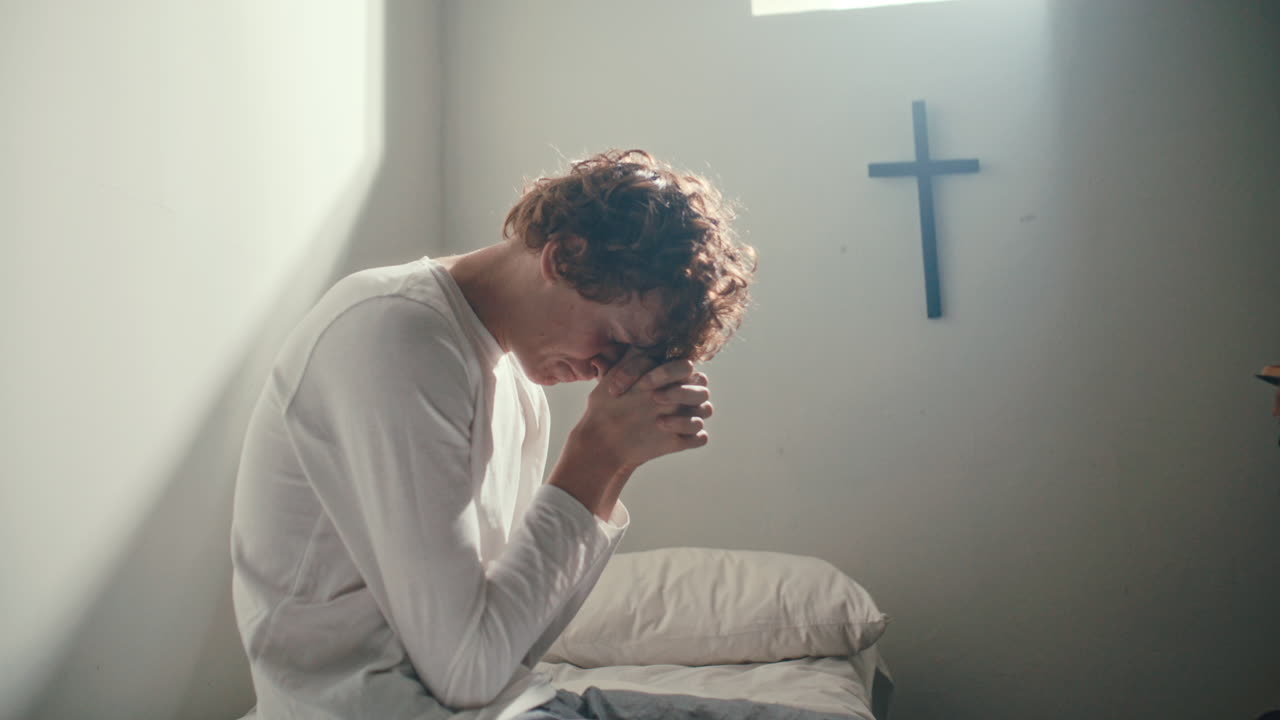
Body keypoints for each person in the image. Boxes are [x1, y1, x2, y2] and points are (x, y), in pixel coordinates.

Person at [230, 149, 757, 719]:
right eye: (613, 338)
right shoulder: (396, 333)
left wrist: (617, 463)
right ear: (564, 257)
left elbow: (511, 646)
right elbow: (468, 673)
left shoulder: (519, 378)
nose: (607, 371)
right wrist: (596, 457)